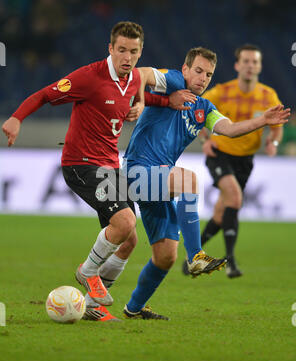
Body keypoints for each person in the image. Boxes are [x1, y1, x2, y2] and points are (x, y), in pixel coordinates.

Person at [1, 21, 196, 323]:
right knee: (126, 220)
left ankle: (92, 305)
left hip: (109, 166)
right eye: (121, 50)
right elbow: (44, 94)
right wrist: (16, 118)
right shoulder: (89, 77)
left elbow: (136, 95)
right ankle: (87, 271)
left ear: (140, 52)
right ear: (110, 49)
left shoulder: (132, 81)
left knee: (129, 239)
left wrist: (164, 101)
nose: (126, 57)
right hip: (80, 163)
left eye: (133, 51)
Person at [121, 46, 290, 320]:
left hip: (160, 181)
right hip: (137, 171)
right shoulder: (173, 81)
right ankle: (197, 255)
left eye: (208, 74)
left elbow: (230, 129)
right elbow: (139, 74)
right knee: (188, 179)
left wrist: (264, 121)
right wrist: (142, 100)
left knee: (165, 256)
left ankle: (134, 308)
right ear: (186, 69)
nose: (202, 78)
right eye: (198, 71)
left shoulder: (204, 108)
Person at [182, 43, 285, 279]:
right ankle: (231, 262)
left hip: (245, 161)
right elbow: (196, 113)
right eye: (246, 61)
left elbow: (276, 128)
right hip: (220, 154)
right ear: (238, 65)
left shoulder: (267, 96)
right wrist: (206, 139)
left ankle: (192, 256)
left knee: (220, 214)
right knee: (235, 198)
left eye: (255, 62)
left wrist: (274, 143)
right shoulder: (220, 92)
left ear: (259, 66)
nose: (250, 66)